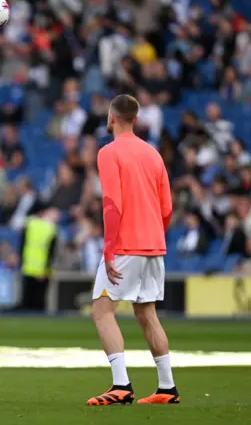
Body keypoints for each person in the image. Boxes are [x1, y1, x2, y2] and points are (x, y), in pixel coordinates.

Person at [87, 94, 179, 406]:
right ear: (136, 119)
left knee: (102, 311)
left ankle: (121, 385)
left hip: (126, 244)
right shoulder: (153, 154)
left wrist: (109, 249)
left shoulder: (108, 152)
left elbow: (113, 203)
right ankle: (167, 388)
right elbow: (167, 207)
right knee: (146, 312)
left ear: (111, 117)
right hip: (154, 245)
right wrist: (154, 236)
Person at [18, 207, 60, 312]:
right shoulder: (51, 228)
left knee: (27, 301)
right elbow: (51, 252)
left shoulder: (29, 224)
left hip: (27, 267)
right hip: (42, 270)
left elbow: (22, 245)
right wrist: (46, 269)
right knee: (39, 304)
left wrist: (22, 262)